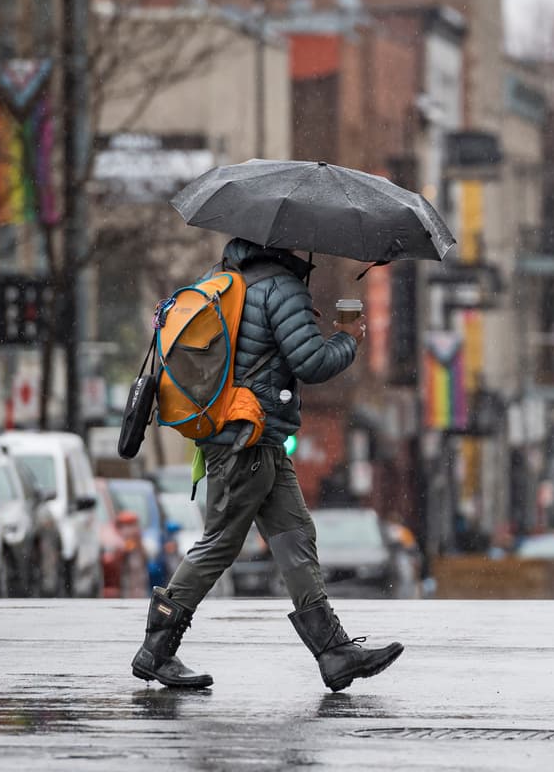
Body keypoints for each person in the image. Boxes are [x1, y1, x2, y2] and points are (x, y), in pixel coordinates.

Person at [131, 237, 404, 691]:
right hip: (247, 439)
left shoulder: (223, 281)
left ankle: (334, 653)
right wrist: (348, 339)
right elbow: (312, 363)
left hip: (255, 436)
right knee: (220, 542)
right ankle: (156, 650)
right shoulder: (282, 289)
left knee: (295, 535)